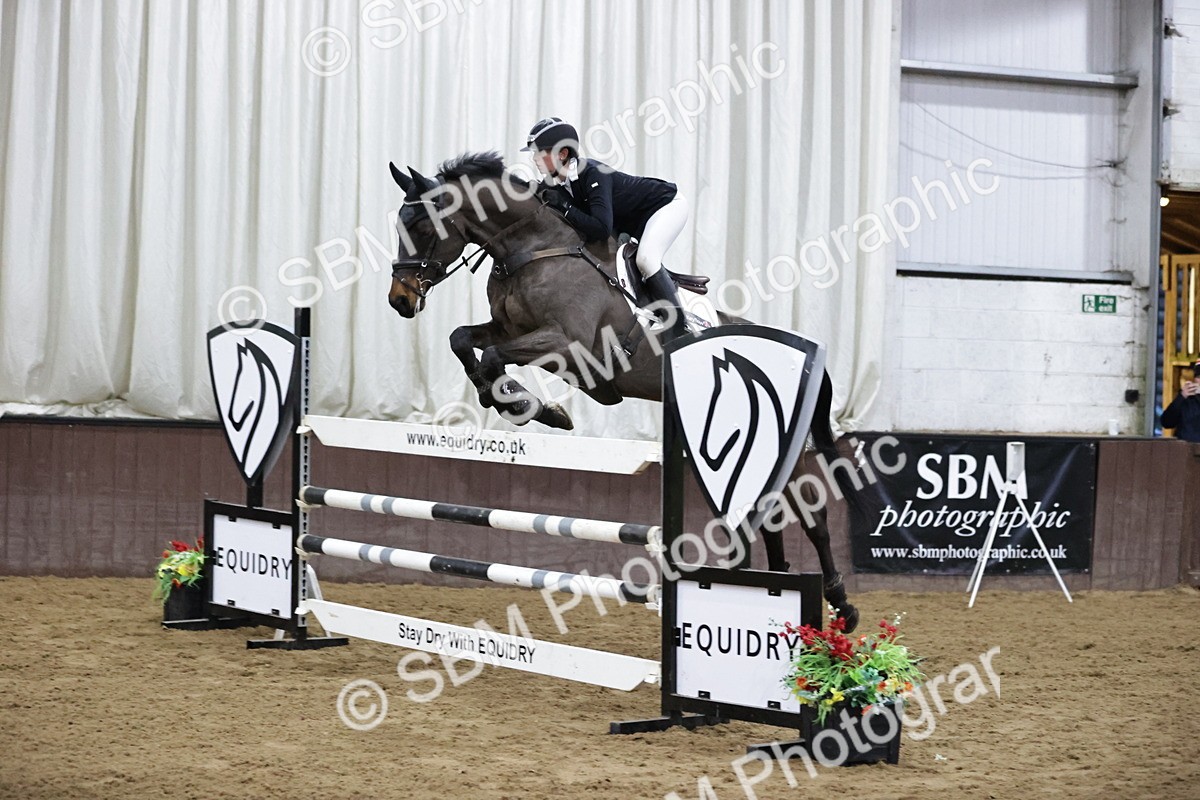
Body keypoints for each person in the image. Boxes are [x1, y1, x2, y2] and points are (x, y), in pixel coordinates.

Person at [520, 116, 690, 338]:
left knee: (646, 259)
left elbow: (600, 228)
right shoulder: (556, 182)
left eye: (539, 152)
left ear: (562, 154)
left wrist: (564, 207)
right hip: (632, 223)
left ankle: (679, 328)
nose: (535, 159)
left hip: (665, 207)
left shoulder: (592, 172)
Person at [1162, 358, 1200, 442]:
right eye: (1198, 377)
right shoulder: (1186, 399)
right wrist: (1182, 396)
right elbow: (1167, 422)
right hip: (1187, 450)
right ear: (1194, 379)